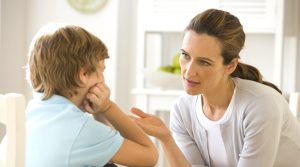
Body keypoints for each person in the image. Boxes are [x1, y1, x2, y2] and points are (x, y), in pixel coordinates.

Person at [131, 9, 300, 167]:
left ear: (230, 66)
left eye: (204, 62)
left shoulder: (261, 106)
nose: (189, 71)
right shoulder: (182, 109)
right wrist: (166, 139)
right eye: (185, 55)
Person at [25, 24, 158, 167]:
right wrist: (107, 108)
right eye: (101, 71)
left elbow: (102, 150)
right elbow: (150, 156)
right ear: (83, 75)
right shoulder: (81, 130)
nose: (102, 80)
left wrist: (98, 113)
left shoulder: (31, 113)